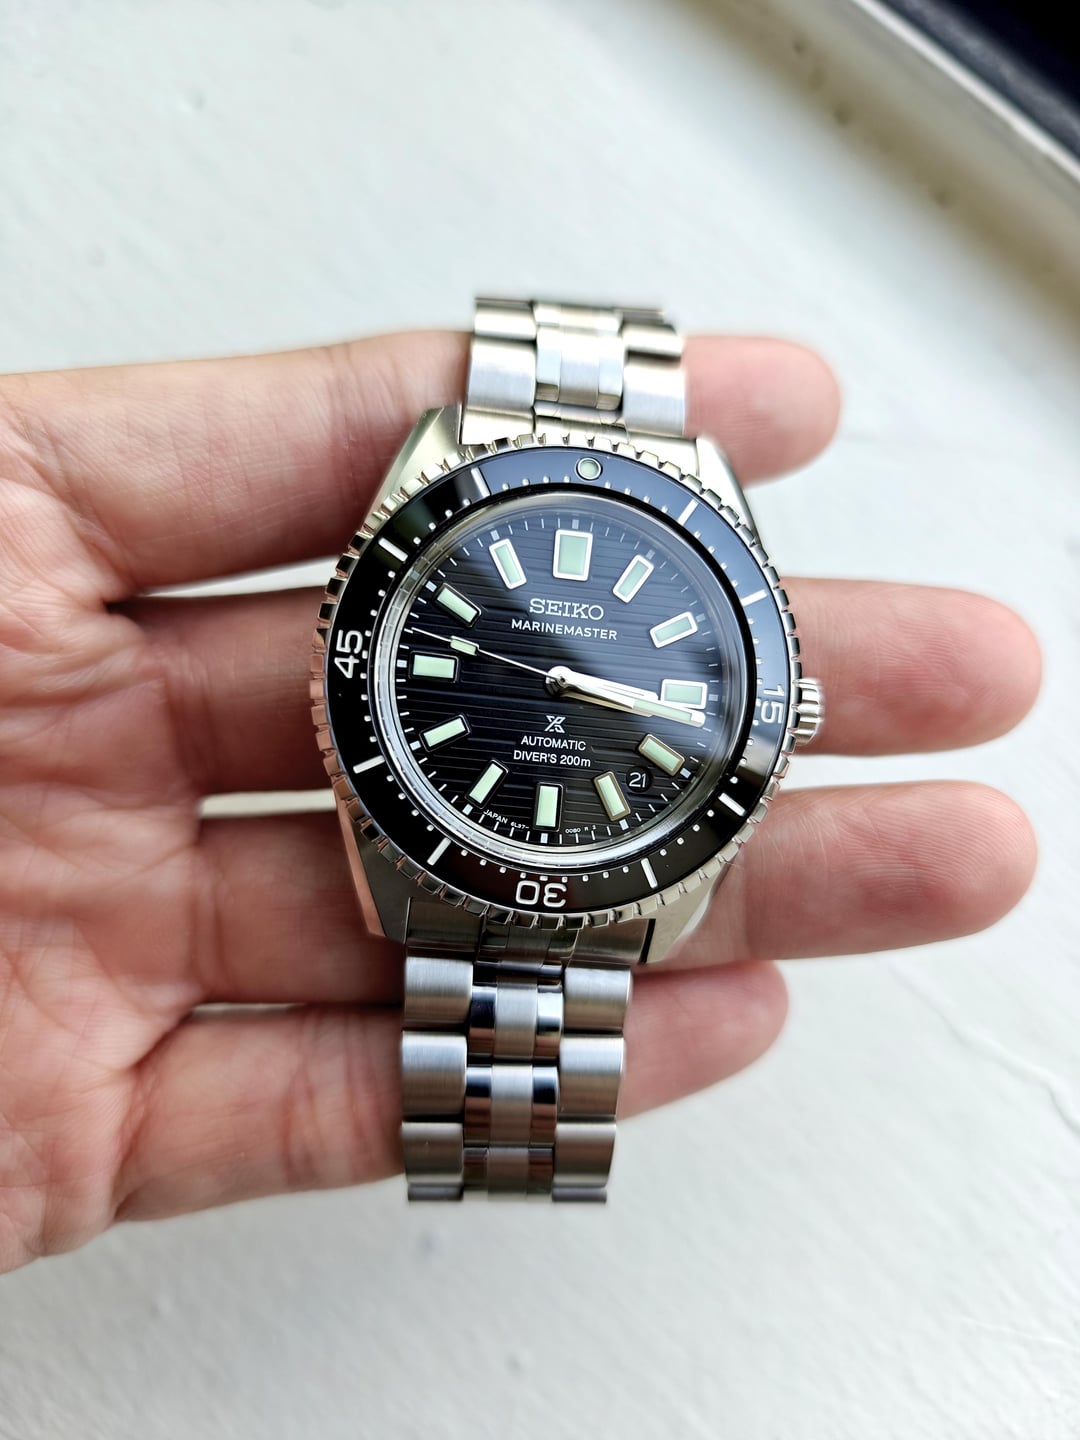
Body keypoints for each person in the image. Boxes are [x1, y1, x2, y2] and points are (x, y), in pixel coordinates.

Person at [0, 328, 1039, 1271]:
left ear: (787, 707)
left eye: (574, 676)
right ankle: (498, 1147)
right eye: (558, 672)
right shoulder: (521, 553)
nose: (564, 678)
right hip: (456, 841)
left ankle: (499, 1147)